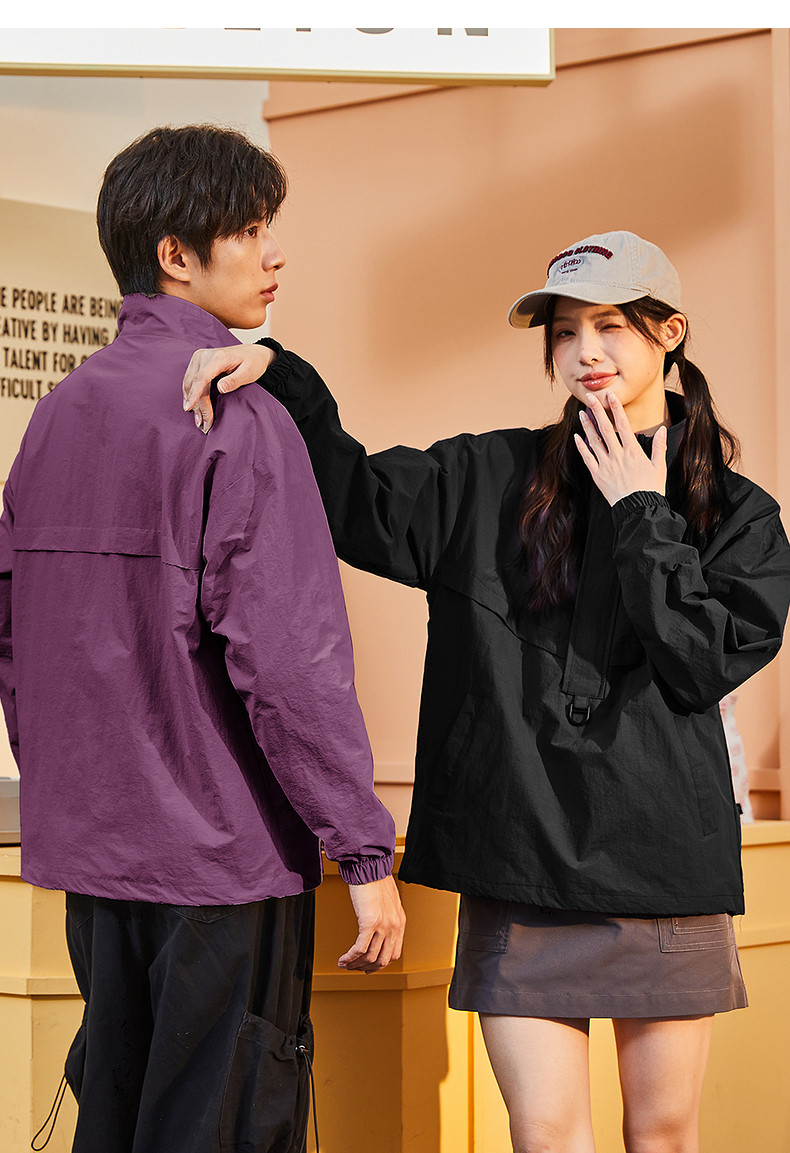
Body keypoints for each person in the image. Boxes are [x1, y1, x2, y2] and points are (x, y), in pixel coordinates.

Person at [181, 229, 790, 1153]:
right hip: (520, 865)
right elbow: (357, 503)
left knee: (664, 1134)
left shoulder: (737, 514)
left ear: (670, 333)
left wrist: (641, 510)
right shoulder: (486, 475)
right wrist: (282, 374)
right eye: (564, 330)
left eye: (611, 325)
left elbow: (702, 662)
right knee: (544, 1135)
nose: (584, 351)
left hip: (665, 869)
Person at [0, 124, 405, 1153]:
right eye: (251, 230)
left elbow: (17, 639)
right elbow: (291, 662)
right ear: (175, 253)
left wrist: (73, 790)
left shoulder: (58, 414)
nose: (275, 254)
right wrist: (363, 851)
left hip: (98, 857)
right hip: (224, 859)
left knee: (118, 1114)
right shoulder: (237, 416)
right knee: (224, 1128)